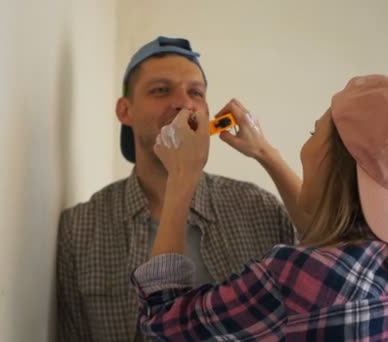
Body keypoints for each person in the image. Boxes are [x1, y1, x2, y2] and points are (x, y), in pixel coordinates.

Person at [132, 74, 388, 341]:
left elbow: (163, 323)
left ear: (333, 159)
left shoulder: (293, 276)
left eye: (313, 133)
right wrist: (265, 153)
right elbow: (331, 242)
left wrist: (181, 176)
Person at [56, 36, 297, 341]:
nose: (184, 103)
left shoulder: (261, 210)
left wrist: (266, 152)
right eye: (160, 90)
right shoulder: (79, 228)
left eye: (196, 92)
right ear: (124, 111)